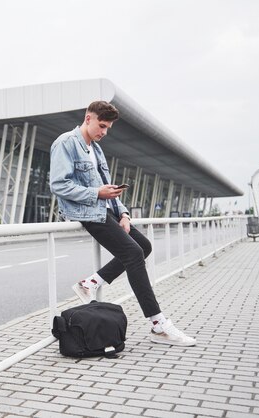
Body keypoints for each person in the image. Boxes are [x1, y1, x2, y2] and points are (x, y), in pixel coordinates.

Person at [49, 100, 196, 346]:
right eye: (102, 126)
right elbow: (58, 185)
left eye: (108, 128)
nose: (104, 132)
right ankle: (159, 324)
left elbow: (109, 186)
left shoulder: (95, 148)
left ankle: (90, 283)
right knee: (133, 253)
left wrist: (124, 214)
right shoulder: (65, 143)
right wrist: (97, 193)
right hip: (86, 211)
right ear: (88, 118)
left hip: (106, 208)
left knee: (144, 246)